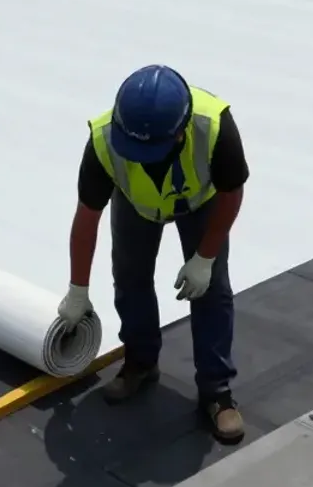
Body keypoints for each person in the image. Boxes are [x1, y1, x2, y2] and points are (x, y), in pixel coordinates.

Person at [57, 64, 250, 444]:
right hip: (136, 205)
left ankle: (217, 392)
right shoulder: (104, 139)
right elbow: (86, 218)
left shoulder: (214, 126)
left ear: (179, 132)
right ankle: (141, 362)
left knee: (211, 290)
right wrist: (77, 290)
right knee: (130, 277)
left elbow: (231, 192)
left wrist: (205, 257)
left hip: (201, 204)